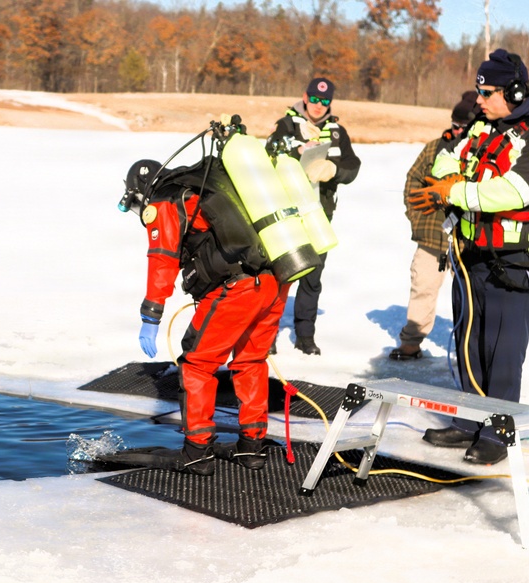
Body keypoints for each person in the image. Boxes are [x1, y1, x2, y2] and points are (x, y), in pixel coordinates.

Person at [408, 49, 529, 464]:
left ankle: (499, 433)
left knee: (502, 349)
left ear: (515, 92)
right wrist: (447, 175)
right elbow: (454, 154)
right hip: (471, 254)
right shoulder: (490, 124)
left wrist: (454, 191)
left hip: (515, 261)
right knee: (470, 340)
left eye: (487, 93)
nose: (478, 100)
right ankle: (468, 421)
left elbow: (513, 191)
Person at [120, 157, 290, 475]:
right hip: (275, 282)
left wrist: (151, 316)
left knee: (197, 365)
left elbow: (163, 258)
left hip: (237, 289)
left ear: (141, 191)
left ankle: (197, 452)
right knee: (250, 361)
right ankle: (251, 448)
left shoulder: (166, 199)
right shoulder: (204, 186)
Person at [265, 76, 360, 355]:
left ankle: (305, 337)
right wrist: (295, 154)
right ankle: (267, 334)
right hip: (287, 213)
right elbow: (267, 157)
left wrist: (333, 171)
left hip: (319, 214)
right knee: (278, 275)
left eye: (325, 101)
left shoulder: (337, 132)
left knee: (313, 277)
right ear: (305, 98)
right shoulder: (285, 126)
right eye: (315, 100)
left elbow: (353, 166)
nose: (319, 106)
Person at [389, 91, 478, 361]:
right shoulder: (434, 147)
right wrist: (418, 219)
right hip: (431, 238)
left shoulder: (482, 153)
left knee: (470, 297)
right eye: (455, 125)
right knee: (422, 289)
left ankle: (469, 349)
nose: (458, 131)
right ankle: (411, 343)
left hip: (467, 242)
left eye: (465, 127)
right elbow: (412, 182)